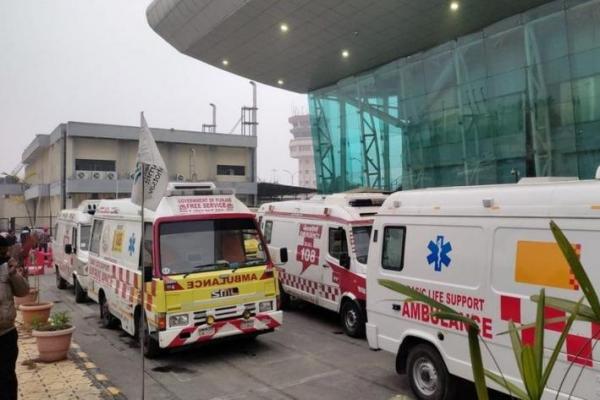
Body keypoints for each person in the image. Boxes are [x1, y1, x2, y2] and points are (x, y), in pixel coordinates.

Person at [0, 236, 29, 400]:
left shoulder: (6, 269)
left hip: (6, 334)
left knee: (7, 377)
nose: (4, 256)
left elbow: (23, 291)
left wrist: (14, 274)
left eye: (4, 253)